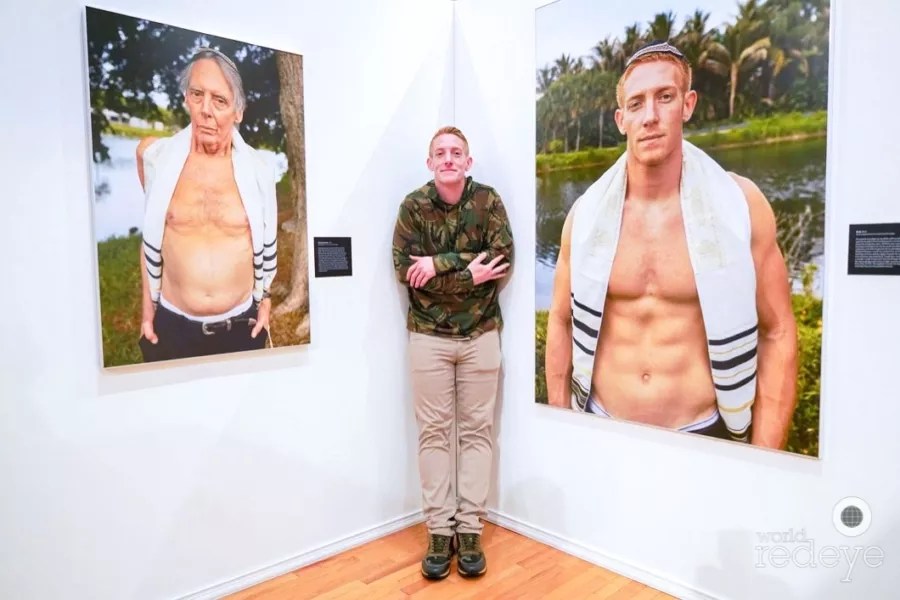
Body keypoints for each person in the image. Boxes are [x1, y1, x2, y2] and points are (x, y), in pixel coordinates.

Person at [545, 41, 799, 449]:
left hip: (703, 434)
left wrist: (765, 459)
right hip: (602, 427)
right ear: (621, 119)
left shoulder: (740, 205)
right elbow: (560, 320)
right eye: (636, 104)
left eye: (664, 97)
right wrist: (561, 428)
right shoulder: (585, 215)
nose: (650, 116)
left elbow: (779, 330)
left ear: (687, 104)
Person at [392, 126, 514, 579]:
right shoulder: (413, 207)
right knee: (434, 435)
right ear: (430, 163)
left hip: (481, 336)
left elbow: (501, 259)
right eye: (440, 153)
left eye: (456, 152)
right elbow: (404, 270)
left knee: (477, 433)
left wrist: (439, 264)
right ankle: (439, 531)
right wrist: (469, 272)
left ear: (468, 161)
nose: (448, 159)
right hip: (428, 338)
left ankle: (471, 529)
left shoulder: (488, 201)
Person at [134, 47, 278, 362]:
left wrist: (265, 304)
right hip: (172, 328)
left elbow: (268, 245)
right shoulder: (156, 159)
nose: (205, 110)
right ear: (186, 98)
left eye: (220, 100)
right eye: (197, 94)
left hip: (242, 326)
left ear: (238, 112)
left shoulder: (259, 172)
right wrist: (148, 313)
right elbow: (152, 237)